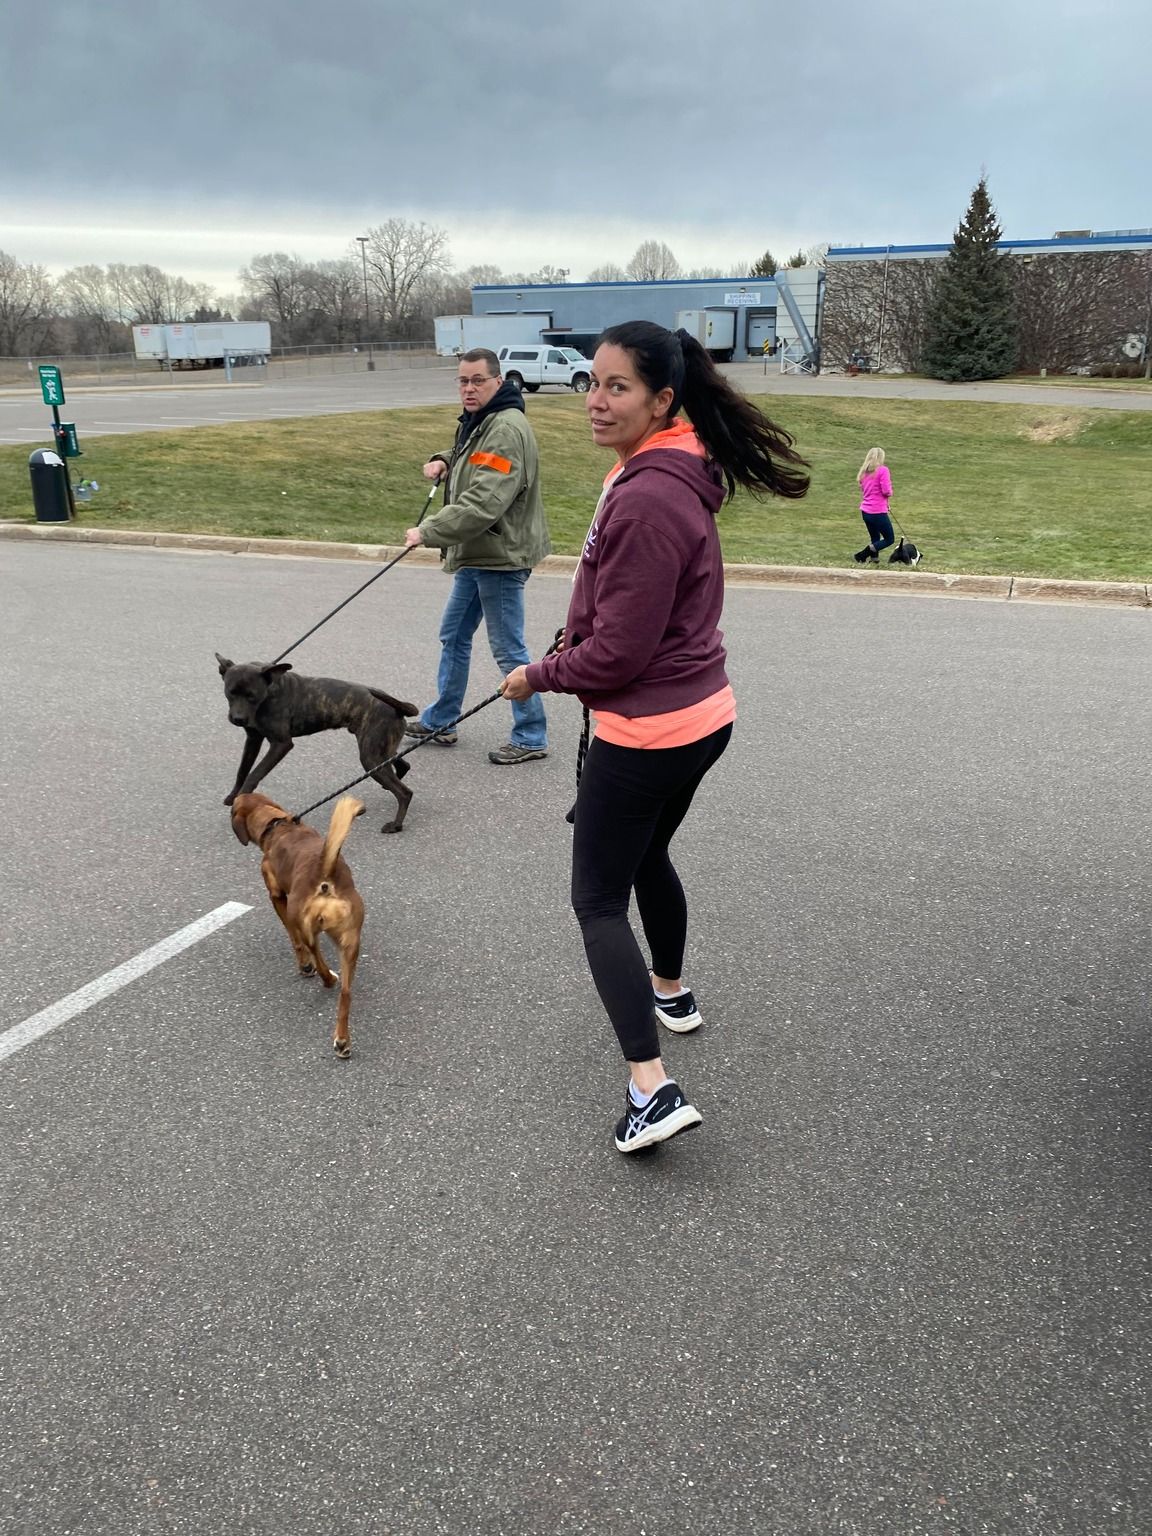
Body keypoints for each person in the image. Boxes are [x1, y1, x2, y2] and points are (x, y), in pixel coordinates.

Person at [501, 321, 809, 1154]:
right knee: (646, 858)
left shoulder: (648, 496)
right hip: (703, 717)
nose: (596, 401)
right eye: (592, 382)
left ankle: (650, 1087)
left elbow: (618, 656)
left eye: (618, 388)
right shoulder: (671, 463)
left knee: (598, 899)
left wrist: (538, 675)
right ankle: (670, 992)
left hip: (651, 732)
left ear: (662, 400)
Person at [403, 348, 551, 765]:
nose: (468, 388)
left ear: (497, 382)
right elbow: (473, 460)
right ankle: (442, 720)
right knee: (453, 634)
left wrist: (429, 531)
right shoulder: (483, 421)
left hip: (500, 555)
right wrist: (442, 460)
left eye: (477, 381)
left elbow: (485, 500)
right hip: (479, 553)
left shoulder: (505, 428)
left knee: (508, 650)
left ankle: (531, 735)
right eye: (463, 381)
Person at [853, 447, 894, 563]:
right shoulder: (883, 470)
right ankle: (863, 554)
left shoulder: (864, 473)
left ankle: (874, 559)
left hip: (866, 511)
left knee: (875, 537)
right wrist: (890, 493)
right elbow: (886, 491)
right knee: (889, 539)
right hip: (877, 511)